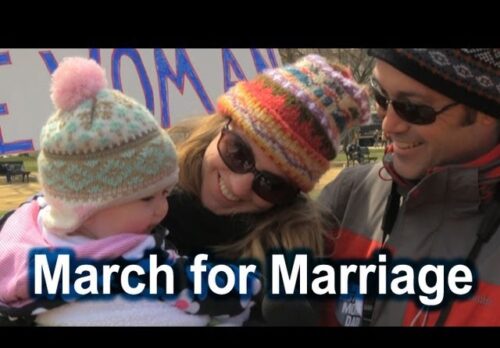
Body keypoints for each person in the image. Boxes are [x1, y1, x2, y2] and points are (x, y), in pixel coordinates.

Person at [0, 57, 260, 326]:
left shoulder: (26, 228)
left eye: (166, 193)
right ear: (86, 207)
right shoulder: (130, 261)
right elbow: (207, 289)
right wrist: (252, 287)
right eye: (147, 197)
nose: (163, 208)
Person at [162, 54, 371, 324]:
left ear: (291, 197)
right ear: (221, 126)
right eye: (237, 153)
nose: (238, 188)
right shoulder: (130, 199)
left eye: (271, 185)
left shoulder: (291, 263)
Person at [318, 48, 500, 326]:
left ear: (485, 109)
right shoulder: (350, 195)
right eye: (381, 97)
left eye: (413, 109)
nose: (388, 124)